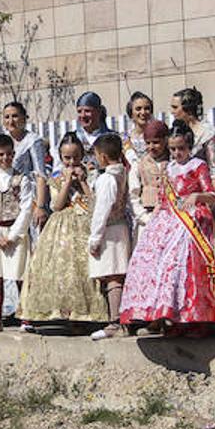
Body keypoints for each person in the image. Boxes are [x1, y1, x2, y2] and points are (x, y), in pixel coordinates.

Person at [121, 123, 215, 335]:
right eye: (173, 149)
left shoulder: (198, 166)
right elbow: (162, 198)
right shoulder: (167, 168)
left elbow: (212, 195)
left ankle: (196, 319)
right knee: (155, 264)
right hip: (167, 219)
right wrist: (154, 220)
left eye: (181, 149)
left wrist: (197, 197)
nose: (177, 153)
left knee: (185, 266)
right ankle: (168, 317)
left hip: (194, 222)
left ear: (189, 147)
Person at [17, 134, 110, 328]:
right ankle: (59, 310)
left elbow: (94, 203)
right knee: (60, 266)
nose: (72, 161)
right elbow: (56, 205)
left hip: (85, 222)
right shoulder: (57, 178)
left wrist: (83, 181)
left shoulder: (93, 174)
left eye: (75, 157)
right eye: (67, 158)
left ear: (82, 155)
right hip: (61, 224)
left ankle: (86, 312)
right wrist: (67, 182)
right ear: (60, 157)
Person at [0, 134, 35, 342]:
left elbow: (27, 208)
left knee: (20, 274)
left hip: (14, 234)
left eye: (9, 154)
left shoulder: (22, 179)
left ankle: (26, 316)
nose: (5, 158)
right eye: (1, 154)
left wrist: (13, 235)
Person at [87, 134, 133, 340]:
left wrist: (95, 238)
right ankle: (119, 319)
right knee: (116, 273)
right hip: (120, 228)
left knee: (113, 275)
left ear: (103, 157)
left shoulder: (107, 179)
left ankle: (116, 321)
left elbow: (101, 210)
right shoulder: (123, 173)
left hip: (110, 230)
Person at [3, 101, 50, 230]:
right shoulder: (3, 141)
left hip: (30, 196)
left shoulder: (33, 141)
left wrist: (40, 206)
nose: (11, 121)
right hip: (8, 197)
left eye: (15, 116)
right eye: (7, 117)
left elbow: (41, 175)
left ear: (23, 118)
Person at [169, 86, 215, 180]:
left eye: (175, 107)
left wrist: (212, 194)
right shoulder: (177, 130)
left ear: (187, 109)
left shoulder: (208, 133)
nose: (172, 112)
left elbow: (214, 171)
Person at [128, 120, 170, 233]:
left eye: (156, 142)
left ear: (166, 140)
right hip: (147, 221)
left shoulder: (174, 163)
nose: (151, 147)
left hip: (171, 220)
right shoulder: (139, 164)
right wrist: (145, 218)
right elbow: (133, 195)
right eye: (148, 143)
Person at [74, 91, 112, 158]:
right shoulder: (72, 139)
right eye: (79, 111)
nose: (83, 115)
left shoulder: (112, 139)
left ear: (99, 111)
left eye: (87, 111)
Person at [123, 92, 156, 164]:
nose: (143, 112)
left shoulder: (158, 135)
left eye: (147, 108)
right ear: (131, 113)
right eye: (138, 109)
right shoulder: (124, 139)